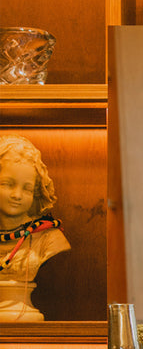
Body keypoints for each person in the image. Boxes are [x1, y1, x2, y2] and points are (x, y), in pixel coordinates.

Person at [0, 134, 69, 321]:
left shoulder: (49, 238)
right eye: (8, 184)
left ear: (37, 191)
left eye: (27, 188)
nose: (17, 195)